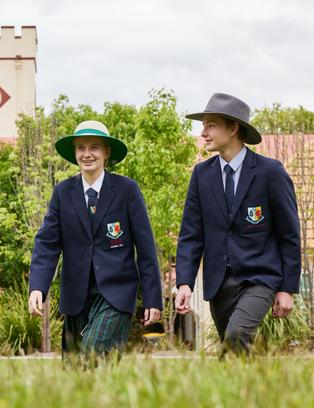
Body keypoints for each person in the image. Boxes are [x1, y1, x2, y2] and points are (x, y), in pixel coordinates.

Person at [175, 93, 301, 353]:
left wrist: (288, 288)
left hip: (260, 278)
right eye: (203, 126)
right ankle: (252, 393)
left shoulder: (270, 172)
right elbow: (191, 234)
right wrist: (184, 282)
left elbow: (289, 234)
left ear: (233, 128)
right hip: (219, 283)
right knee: (237, 352)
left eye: (210, 125)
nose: (203, 132)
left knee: (235, 337)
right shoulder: (201, 175)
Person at [28, 120, 163, 359]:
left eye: (94, 147)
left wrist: (153, 299)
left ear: (106, 152)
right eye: (81, 148)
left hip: (116, 293)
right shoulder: (62, 193)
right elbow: (47, 244)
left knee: (89, 356)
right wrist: (38, 287)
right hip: (75, 296)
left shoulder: (127, 190)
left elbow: (145, 249)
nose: (87, 154)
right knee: (77, 373)